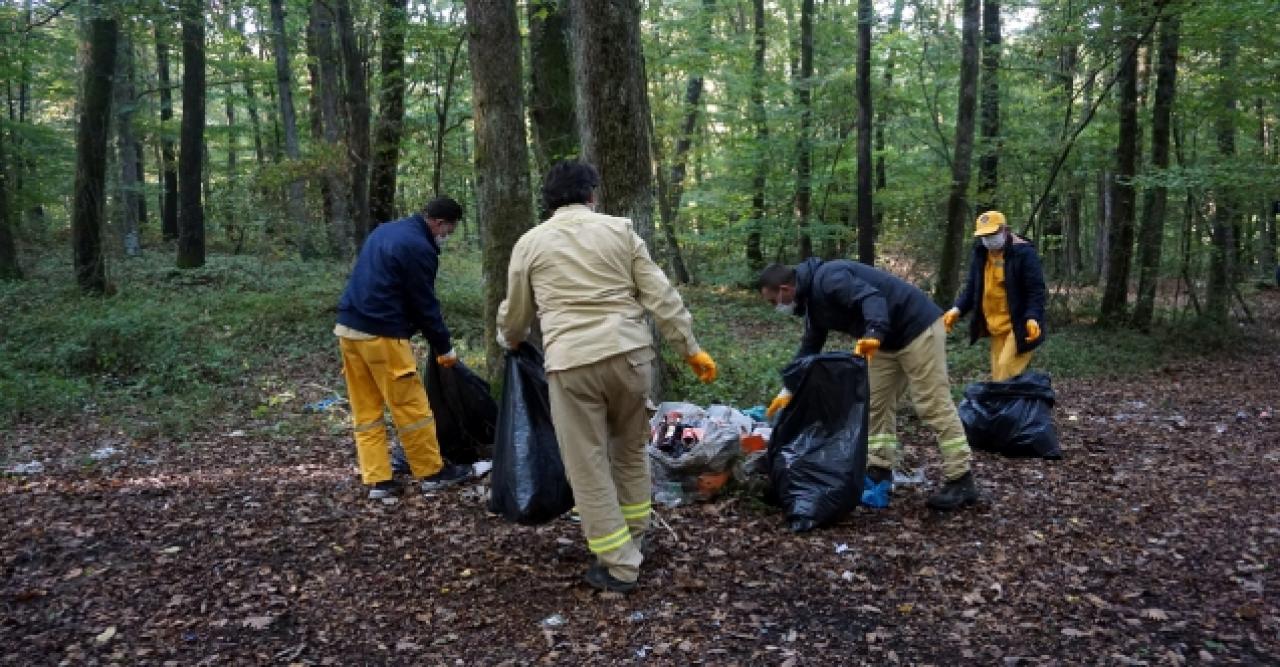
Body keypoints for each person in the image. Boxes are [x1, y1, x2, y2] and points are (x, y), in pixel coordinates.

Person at [497, 160, 717, 594]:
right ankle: (634, 538)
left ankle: (618, 565)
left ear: (549, 200)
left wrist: (510, 340)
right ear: (592, 195)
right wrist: (690, 348)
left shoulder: (530, 243)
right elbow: (661, 295)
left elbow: (516, 314)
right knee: (631, 450)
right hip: (631, 357)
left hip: (572, 363)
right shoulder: (620, 231)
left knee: (588, 464)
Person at [758, 259, 978, 511]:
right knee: (874, 404)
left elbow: (872, 299)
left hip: (917, 328)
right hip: (886, 340)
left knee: (932, 404)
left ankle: (961, 478)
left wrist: (873, 333)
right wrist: (788, 388)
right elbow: (811, 346)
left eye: (772, 301)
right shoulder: (813, 303)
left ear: (785, 289)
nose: (775, 306)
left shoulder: (829, 279)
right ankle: (878, 469)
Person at [335, 196, 475, 501]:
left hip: (348, 329)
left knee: (366, 409)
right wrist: (444, 347)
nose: (446, 237)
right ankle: (432, 473)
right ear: (439, 223)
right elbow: (424, 304)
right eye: (448, 231)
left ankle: (379, 481)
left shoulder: (386, 231)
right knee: (411, 407)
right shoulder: (419, 248)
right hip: (382, 335)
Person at [943, 211, 1047, 381]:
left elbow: (1036, 291)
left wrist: (1033, 317)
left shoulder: (1023, 253)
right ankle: (1010, 407)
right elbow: (972, 289)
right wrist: (957, 309)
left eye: (992, 234)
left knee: (1006, 370)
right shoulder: (981, 254)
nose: (989, 239)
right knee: (998, 376)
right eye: (984, 235)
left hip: (1020, 325)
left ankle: (1012, 405)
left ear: (1004, 229)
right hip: (996, 326)